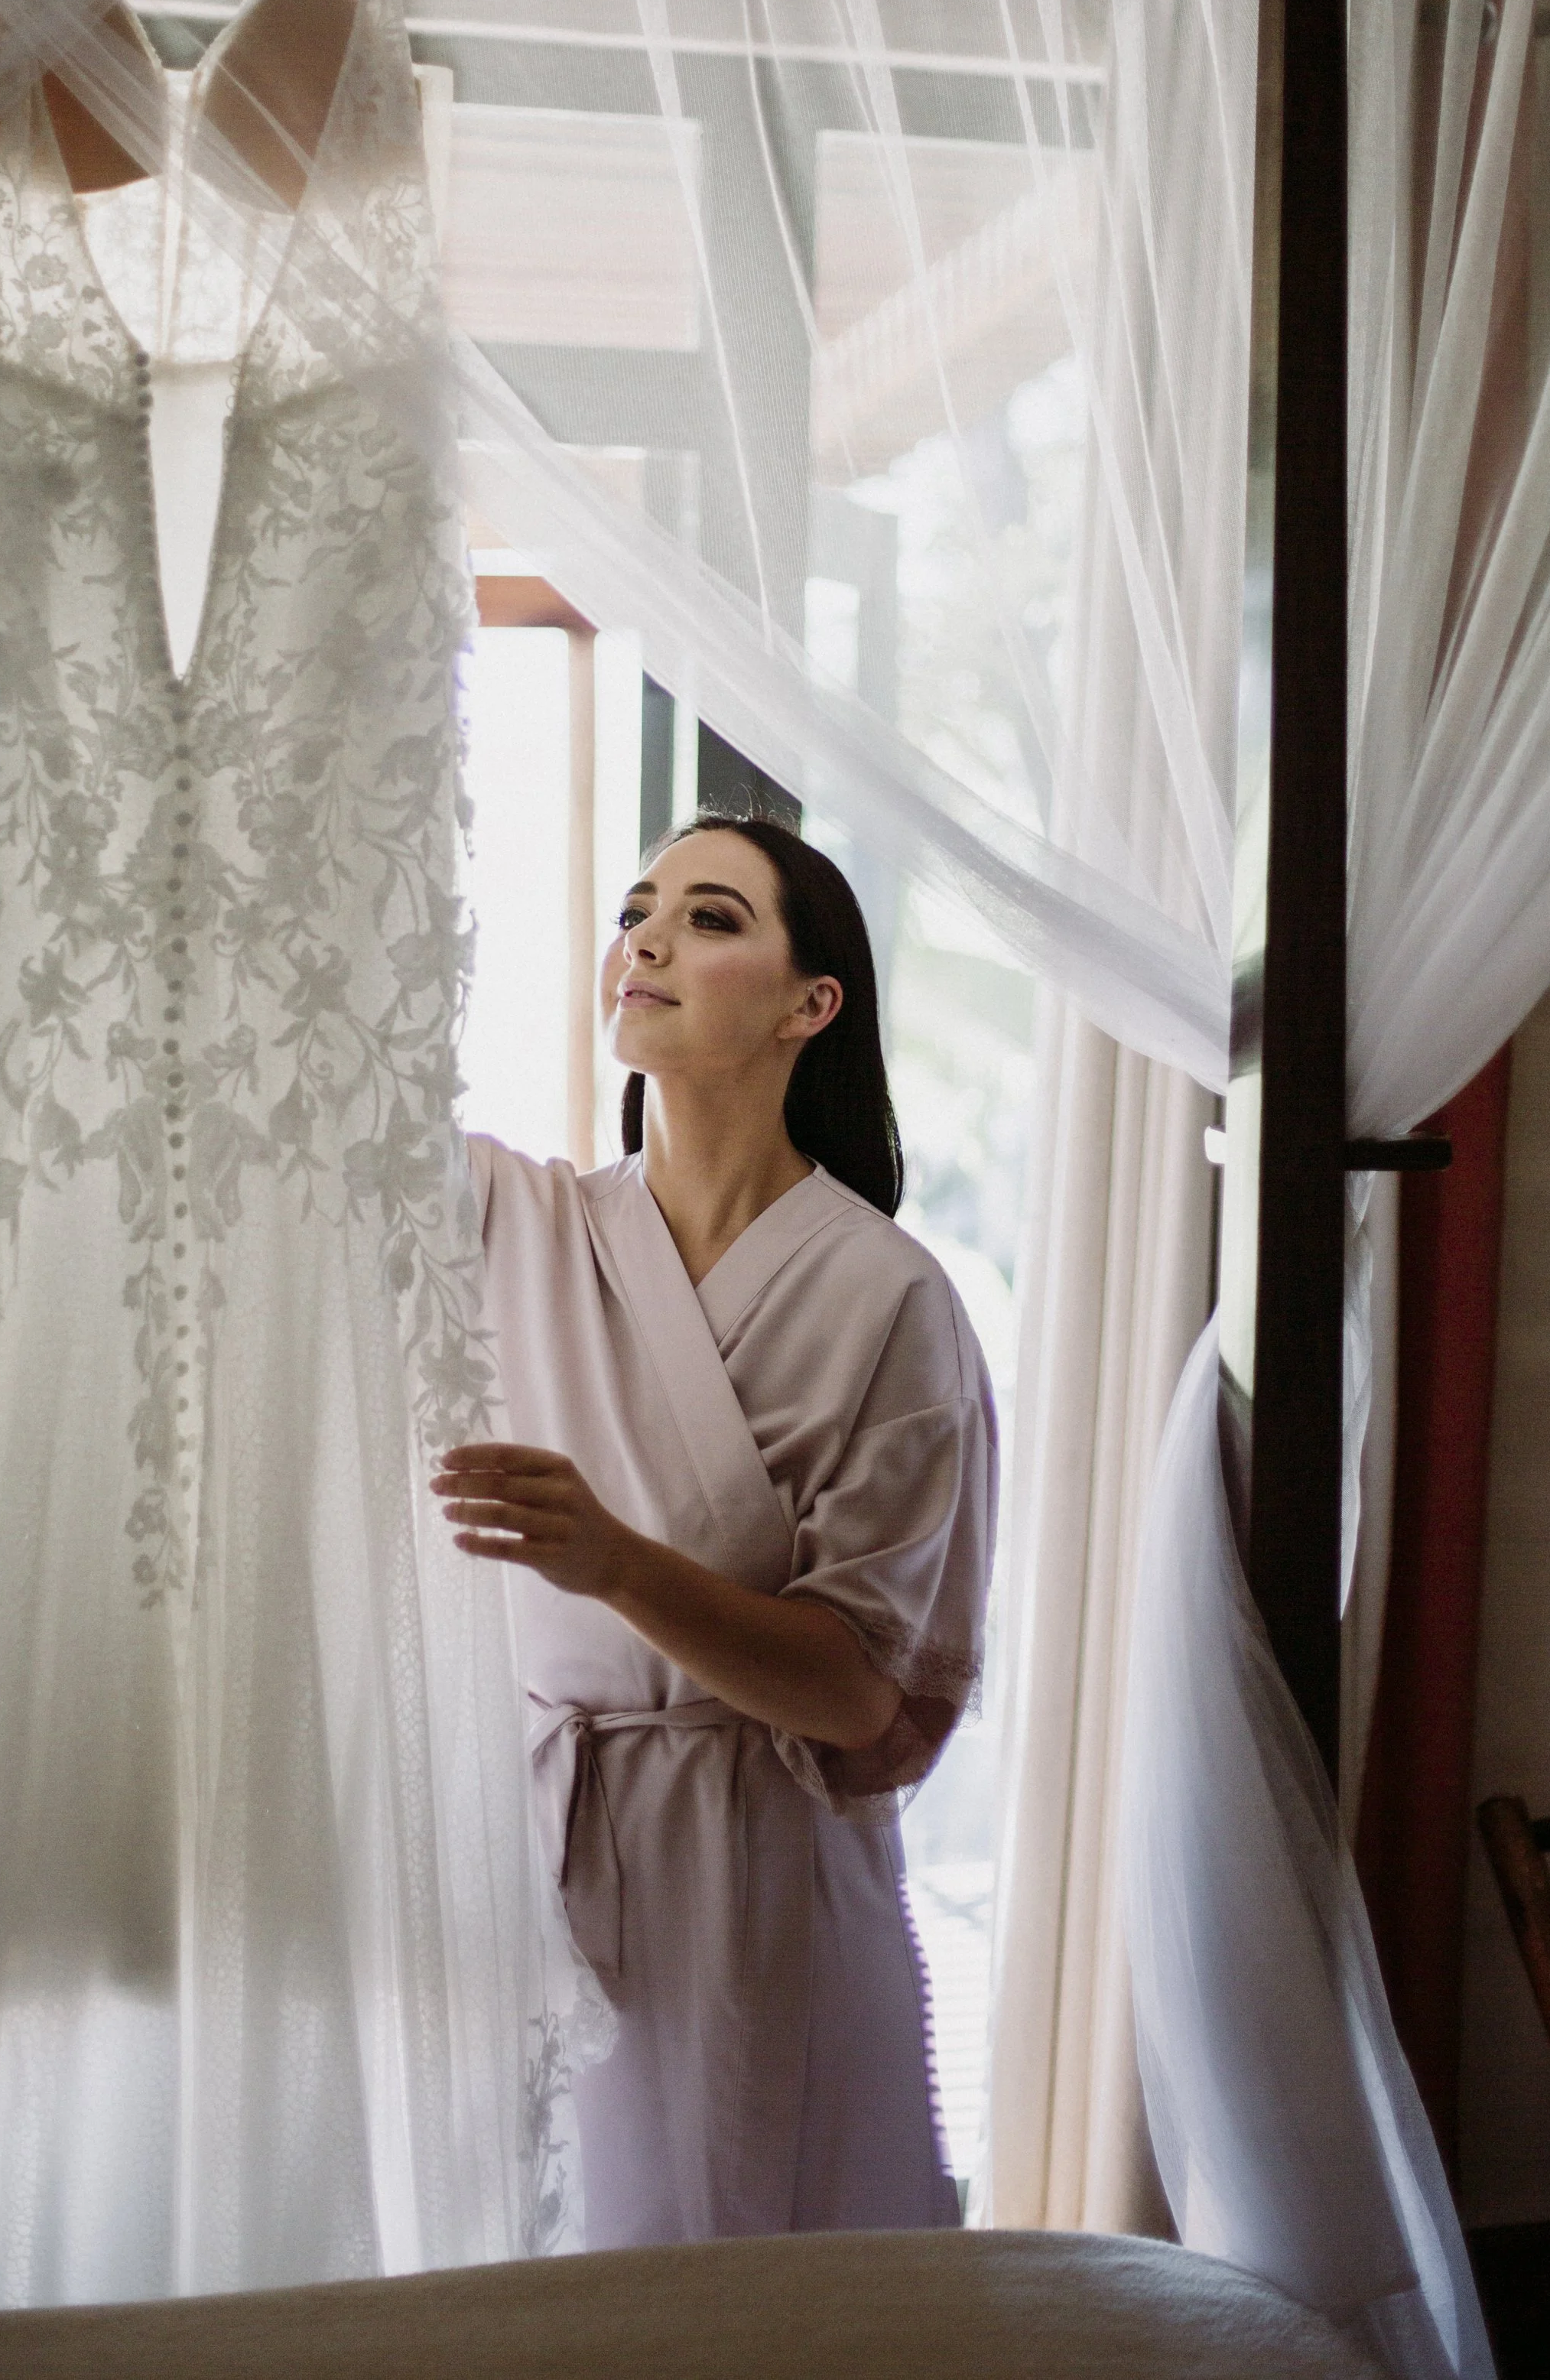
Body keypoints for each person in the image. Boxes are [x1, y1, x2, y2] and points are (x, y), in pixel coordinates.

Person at [433, 813, 997, 2248]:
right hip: (538, 1870)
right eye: (637, 910)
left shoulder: (891, 1300)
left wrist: (614, 1562)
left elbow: (862, 1692)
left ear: (814, 1006)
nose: (649, 939)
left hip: (767, 1892)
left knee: (767, 2292)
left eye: (712, 915)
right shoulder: (512, 1217)